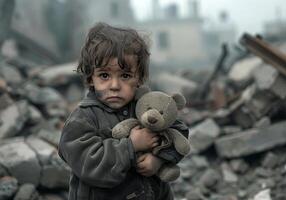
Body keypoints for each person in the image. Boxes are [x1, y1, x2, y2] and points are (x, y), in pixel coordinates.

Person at [58, 22, 189, 200]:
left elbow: (177, 133)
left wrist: (159, 160)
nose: (114, 86)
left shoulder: (145, 107)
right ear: (91, 78)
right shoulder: (82, 118)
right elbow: (89, 165)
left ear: (139, 78)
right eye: (104, 75)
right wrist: (131, 146)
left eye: (125, 76)